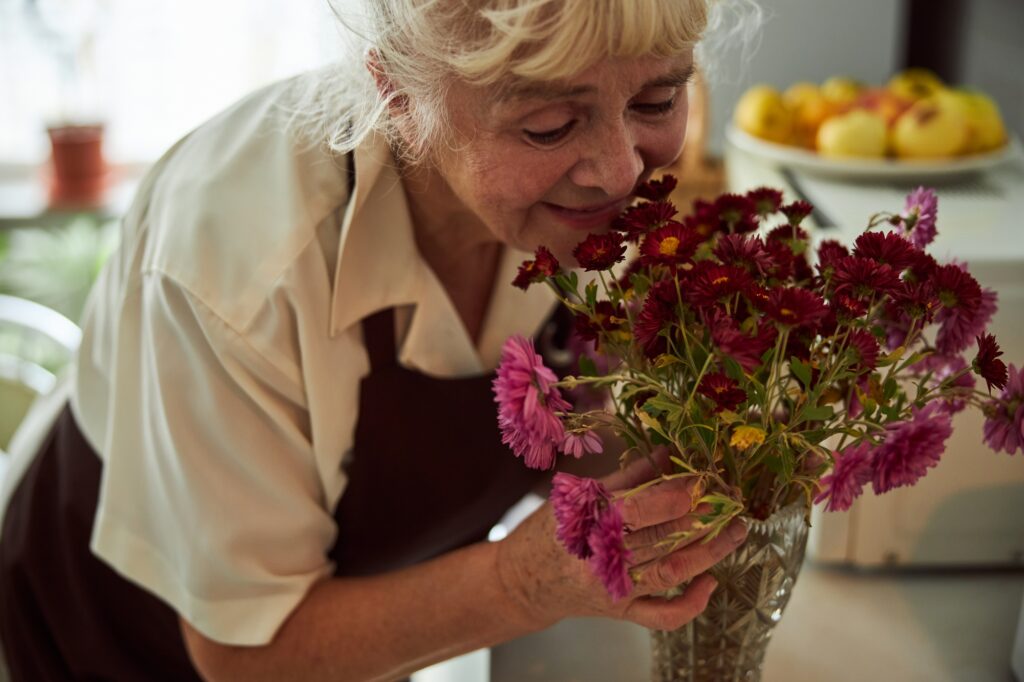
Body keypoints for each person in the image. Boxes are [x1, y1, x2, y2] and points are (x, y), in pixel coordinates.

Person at [0, 1, 751, 680]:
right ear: (397, 92)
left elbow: (578, 433)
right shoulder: (239, 257)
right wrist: (523, 584)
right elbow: (245, 652)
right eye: (549, 125)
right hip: (113, 645)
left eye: (658, 99)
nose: (621, 170)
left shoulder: (579, 202)